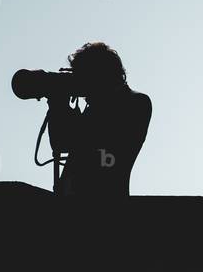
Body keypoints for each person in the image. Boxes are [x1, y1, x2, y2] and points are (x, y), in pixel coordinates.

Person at [46, 42, 152, 197]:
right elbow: (61, 143)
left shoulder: (135, 102)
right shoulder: (95, 108)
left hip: (105, 199)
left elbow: (99, 147)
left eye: (84, 76)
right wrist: (59, 106)